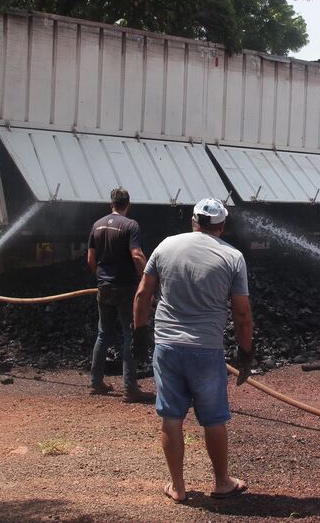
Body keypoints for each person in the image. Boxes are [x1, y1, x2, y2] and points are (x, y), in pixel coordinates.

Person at [133, 198, 254, 504]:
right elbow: (242, 314)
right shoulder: (232, 257)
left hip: (167, 347)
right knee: (213, 419)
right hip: (206, 350)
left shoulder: (165, 246)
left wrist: (139, 336)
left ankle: (178, 487)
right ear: (222, 226)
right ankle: (222, 482)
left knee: (171, 418)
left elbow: (143, 293)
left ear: (193, 222)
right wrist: (246, 353)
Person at [87, 187, 153, 403]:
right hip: (125, 287)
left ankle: (96, 383)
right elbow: (136, 254)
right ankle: (129, 388)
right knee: (129, 334)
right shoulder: (131, 225)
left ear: (111, 204)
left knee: (103, 334)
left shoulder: (96, 225)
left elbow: (90, 259)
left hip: (103, 287)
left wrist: (101, 279)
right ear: (128, 204)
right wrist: (147, 279)